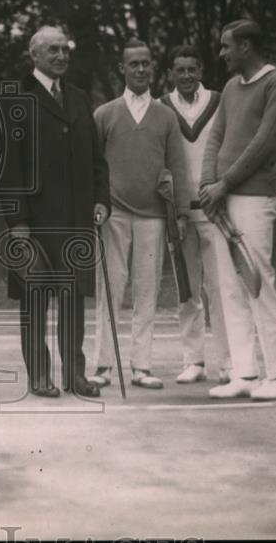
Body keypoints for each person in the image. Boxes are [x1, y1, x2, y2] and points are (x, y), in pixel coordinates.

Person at [2, 26, 109, 398]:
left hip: (77, 219)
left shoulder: (79, 98)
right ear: (34, 55)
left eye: (65, 49)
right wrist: (17, 222)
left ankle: (75, 376)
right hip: (34, 224)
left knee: (73, 301)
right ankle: (39, 375)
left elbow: (97, 161)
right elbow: (9, 168)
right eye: (53, 50)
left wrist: (101, 199)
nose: (62, 56)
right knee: (35, 300)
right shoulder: (17, 97)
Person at [200, 20, 276, 401]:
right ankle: (244, 373)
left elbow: (264, 144)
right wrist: (208, 185)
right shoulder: (229, 89)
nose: (221, 54)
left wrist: (224, 184)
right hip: (221, 198)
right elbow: (215, 137)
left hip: (254, 197)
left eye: (226, 47)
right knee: (229, 288)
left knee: (257, 282)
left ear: (246, 47)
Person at [89, 39, 191, 391]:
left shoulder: (165, 116)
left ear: (153, 67)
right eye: (134, 64)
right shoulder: (105, 113)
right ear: (122, 68)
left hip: (153, 216)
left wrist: (181, 213)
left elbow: (177, 164)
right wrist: (96, 203)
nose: (141, 69)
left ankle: (141, 366)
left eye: (146, 63)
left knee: (147, 291)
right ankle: (103, 364)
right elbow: (93, 165)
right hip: (114, 215)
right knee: (109, 289)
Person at [159, 45, 232, 385]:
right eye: (180, 70)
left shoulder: (219, 101)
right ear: (171, 74)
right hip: (180, 215)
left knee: (220, 289)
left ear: (201, 70)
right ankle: (194, 362)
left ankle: (229, 362)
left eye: (192, 69)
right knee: (187, 290)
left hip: (215, 209)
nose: (186, 75)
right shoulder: (162, 107)